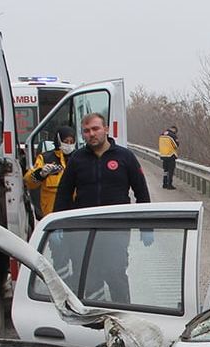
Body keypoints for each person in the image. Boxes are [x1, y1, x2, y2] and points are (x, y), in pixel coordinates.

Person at [52, 112, 150, 304]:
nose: (91, 134)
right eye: (86, 131)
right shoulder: (77, 159)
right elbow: (64, 193)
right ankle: (94, 320)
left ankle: (123, 315)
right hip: (84, 230)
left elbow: (141, 191)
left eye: (95, 129)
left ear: (106, 129)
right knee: (87, 274)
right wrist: (57, 222)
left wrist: (147, 226)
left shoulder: (125, 157)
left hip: (116, 230)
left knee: (115, 273)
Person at [24, 126, 76, 216]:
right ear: (58, 140)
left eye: (71, 142)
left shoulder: (78, 158)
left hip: (74, 212)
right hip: (51, 214)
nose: (69, 145)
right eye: (66, 141)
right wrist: (40, 174)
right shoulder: (45, 158)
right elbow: (29, 183)